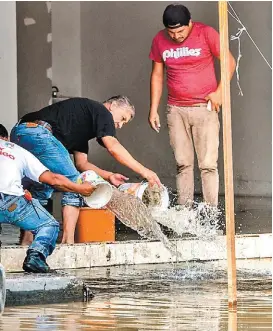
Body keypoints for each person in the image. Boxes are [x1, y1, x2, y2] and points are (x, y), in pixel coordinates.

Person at [11, 96, 161, 244]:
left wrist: (109, 176)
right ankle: (68, 243)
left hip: (21, 133)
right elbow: (113, 146)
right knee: (75, 186)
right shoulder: (102, 111)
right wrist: (145, 171)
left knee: (40, 187)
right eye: (122, 118)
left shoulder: (81, 127)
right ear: (113, 105)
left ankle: (26, 241)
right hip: (39, 133)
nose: (120, 125)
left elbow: (82, 164)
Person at [148, 4, 235, 209]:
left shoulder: (206, 33)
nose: (176, 36)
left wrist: (219, 92)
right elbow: (157, 75)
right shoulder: (160, 40)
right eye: (172, 32)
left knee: (207, 164)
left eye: (181, 31)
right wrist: (153, 108)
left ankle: (210, 212)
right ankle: (184, 211)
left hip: (204, 107)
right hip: (175, 109)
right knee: (183, 163)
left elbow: (229, 62)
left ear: (190, 23)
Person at [0, 124, 95, 273]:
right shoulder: (16, 149)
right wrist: (80, 188)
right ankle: (35, 257)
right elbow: (53, 179)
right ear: (6, 138)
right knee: (49, 225)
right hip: (12, 202)